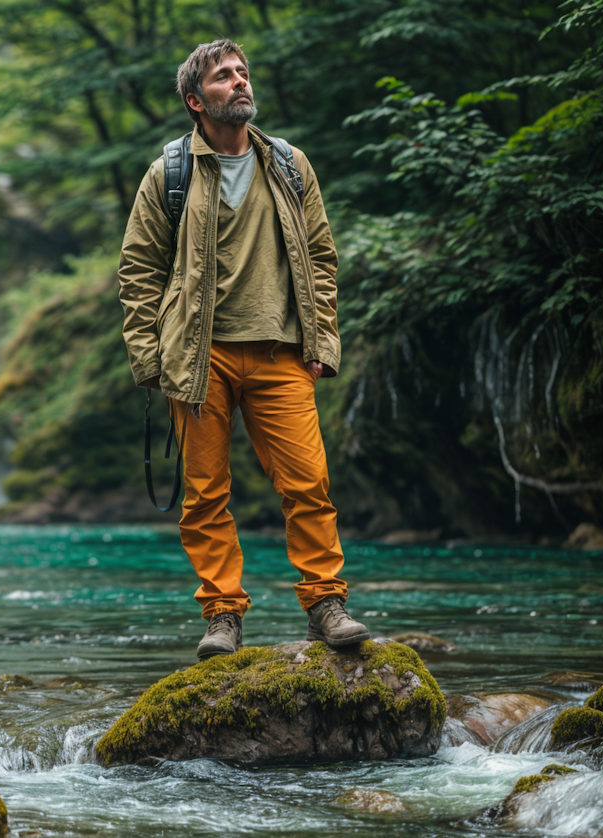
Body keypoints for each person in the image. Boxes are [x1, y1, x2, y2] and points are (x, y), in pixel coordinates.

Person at [116, 38, 370, 661]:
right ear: (195, 100)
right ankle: (222, 615)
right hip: (199, 358)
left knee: (309, 484)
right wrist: (151, 359)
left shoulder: (289, 164)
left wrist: (324, 340)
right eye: (224, 76)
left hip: (284, 350)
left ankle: (325, 605)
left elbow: (322, 258)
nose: (240, 82)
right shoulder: (169, 174)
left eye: (243, 72)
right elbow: (139, 269)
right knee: (206, 494)